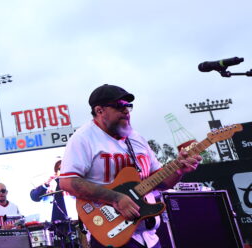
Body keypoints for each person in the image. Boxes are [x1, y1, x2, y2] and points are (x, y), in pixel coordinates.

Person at [58, 84, 201, 248]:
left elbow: (160, 182)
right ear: (99, 111)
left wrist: (179, 170)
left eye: (128, 106)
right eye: (119, 106)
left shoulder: (136, 138)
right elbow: (67, 182)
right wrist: (116, 198)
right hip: (112, 232)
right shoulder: (83, 138)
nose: (126, 111)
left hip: (149, 236)